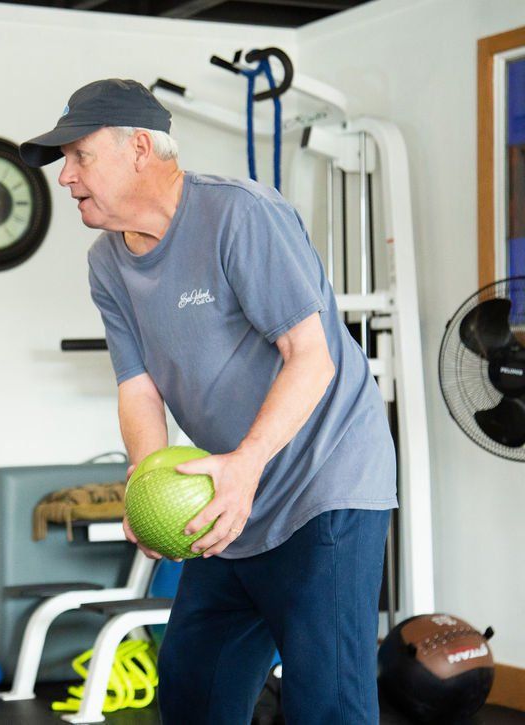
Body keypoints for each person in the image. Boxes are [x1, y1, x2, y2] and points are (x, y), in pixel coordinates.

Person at [20, 80, 396, 723]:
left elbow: (311, 356)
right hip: (227, 493)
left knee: (326, 703)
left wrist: (247, 464)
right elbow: (138, 385)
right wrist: (146, 483)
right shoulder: (107, 263)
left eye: (79, 156)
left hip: (324, 481)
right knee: (195, 686)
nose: (66, 177)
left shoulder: (240, 214)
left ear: (139, 149)